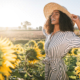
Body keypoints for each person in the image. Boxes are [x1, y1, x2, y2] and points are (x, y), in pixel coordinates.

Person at [42, 2, 80, 80]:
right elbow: (44, 29)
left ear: (63, 18)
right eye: (51, 14)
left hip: (57, 73)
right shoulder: (50, 35)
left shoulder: (68, 35)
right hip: (47, 70)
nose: (52, 16)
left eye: (56, 14)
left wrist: (78, 22)